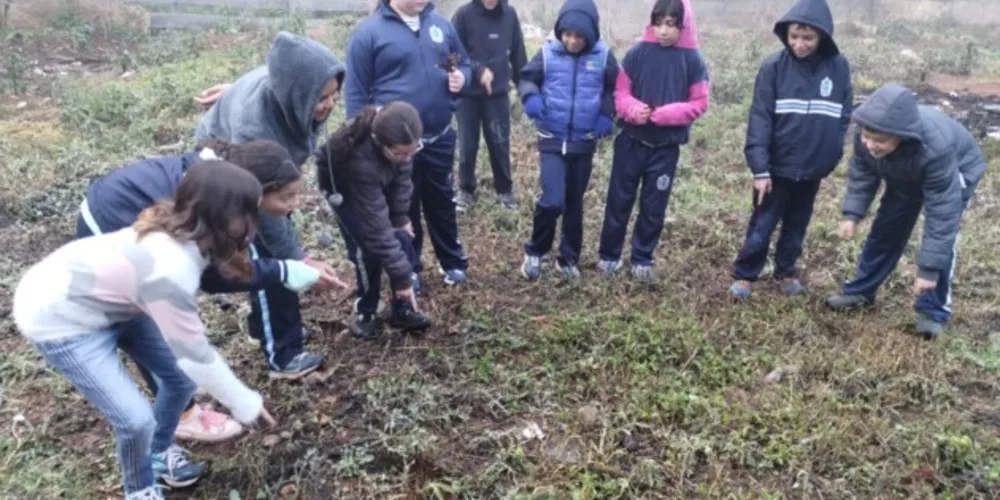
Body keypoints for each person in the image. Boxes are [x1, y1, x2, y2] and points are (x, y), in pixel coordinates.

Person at [13, 160, 277, 500]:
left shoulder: (185, 230)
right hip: (59, 319)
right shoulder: (170, 268)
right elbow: (196, 356)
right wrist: (246, 405)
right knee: (135, 420)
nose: (256, 223)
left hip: (117, 304)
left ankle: (158, 452)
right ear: (226, 216)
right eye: (251, 214)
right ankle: (140, 490)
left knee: (180, 382)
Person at [77, 140, 343, 443]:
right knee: (148, 328)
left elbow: (226, 267)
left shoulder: (225, 195)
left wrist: (289, 269)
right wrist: (240, 399)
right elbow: (214, 280)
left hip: (143, 205)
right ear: (255, 193)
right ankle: (180, 420)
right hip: (109, 218)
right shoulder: (197, 224)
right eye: (286, 197)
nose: (295, 203)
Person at [194, 31, 346, 375]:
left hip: (263, 169)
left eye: (335, 94)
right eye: (322, 98)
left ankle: (266, 326)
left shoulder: (295, 97)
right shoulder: (254, 130)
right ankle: (283, 352)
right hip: (224, 170)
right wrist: (300, 260)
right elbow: (265, 214)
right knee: (267, 254)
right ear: (297, 94)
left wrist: (230, 90)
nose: (330, 104)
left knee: (280, 245)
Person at [827, 83, 986, 339]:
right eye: (867, 137)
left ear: (902, 135)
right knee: (886, 230)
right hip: (906, 172)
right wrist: (852, 215)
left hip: (957, 169)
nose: (871, 145)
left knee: (943, 240)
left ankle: (933, 311)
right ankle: (861, 291)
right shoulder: (865, 136)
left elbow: (941, 216)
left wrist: (928, 271)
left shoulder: (936, 150)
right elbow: (863, 174)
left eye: (881, 141)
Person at [344, 0, 472, 293]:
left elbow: (460, 62)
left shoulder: (440, 26)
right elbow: (356, 95)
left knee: (441, 200)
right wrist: (365, 139)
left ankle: (451, 261)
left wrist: (462, 77)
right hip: (396, 145)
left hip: (438, 136)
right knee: (403, 206)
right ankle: (410, 268)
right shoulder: (369, 34)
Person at [729, 0, 853, 299]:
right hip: (776, 167)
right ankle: (746, 273)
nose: (799, 44)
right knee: (763, 222)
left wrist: (832, 154)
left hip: (812, 168)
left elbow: (843, 115)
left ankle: (785, 271)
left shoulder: (838, 68)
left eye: (807, 38)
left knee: (798, 223)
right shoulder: (773, 67)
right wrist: (760, 167)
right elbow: (759, 118)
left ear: (823, 36)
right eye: (794, 37)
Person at [596, 0, 709, 286]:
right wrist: (634, 110)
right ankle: (609, 255)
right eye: (659, 23)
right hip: (631, 142)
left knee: (654, 205)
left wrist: (666, 114)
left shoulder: (693, 60)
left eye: (671, 24)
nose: (663, 31)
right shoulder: (637, 53)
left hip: (665, 148)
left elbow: (700, 101)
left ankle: (642, 258)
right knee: (619, 200)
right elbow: (621, 92)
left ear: (683, 26)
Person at [517, 0, 619, 280]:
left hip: (583, 141)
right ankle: (535, 252)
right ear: (560, 31)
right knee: (553, 200)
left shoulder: (603, 55)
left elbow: (614, 87)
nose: (572, 41)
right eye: (568, 34)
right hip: (552, 137)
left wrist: (606, 114)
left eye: (579, 36)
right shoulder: (548, 53)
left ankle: (568, 258)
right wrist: (531, 96)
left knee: (574, 202)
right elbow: (527, 78)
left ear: (590, 35)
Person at [316, 102, 432, 339]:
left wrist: (400, 217)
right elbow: (377, 230)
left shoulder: (402, 143)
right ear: (380, 143)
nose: (407, 158)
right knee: (366, 250)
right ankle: (365, 311)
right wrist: (402, 279)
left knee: (402, 236)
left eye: (413, 151)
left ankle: (402, 308)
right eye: (401, 154)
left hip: (378, 178)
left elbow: (402, 179)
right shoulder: (361, 162)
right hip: (346, 192)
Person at [451, 0, 528, 211]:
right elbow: (451, 55)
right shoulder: (463, 15)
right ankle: (465, 189)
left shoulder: (510, 15)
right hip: (468, 95)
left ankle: (505, 190)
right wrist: (478, 70)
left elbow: (519, 55)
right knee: (467, 145)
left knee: (499, 142)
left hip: (498, 94)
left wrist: (527, 90)